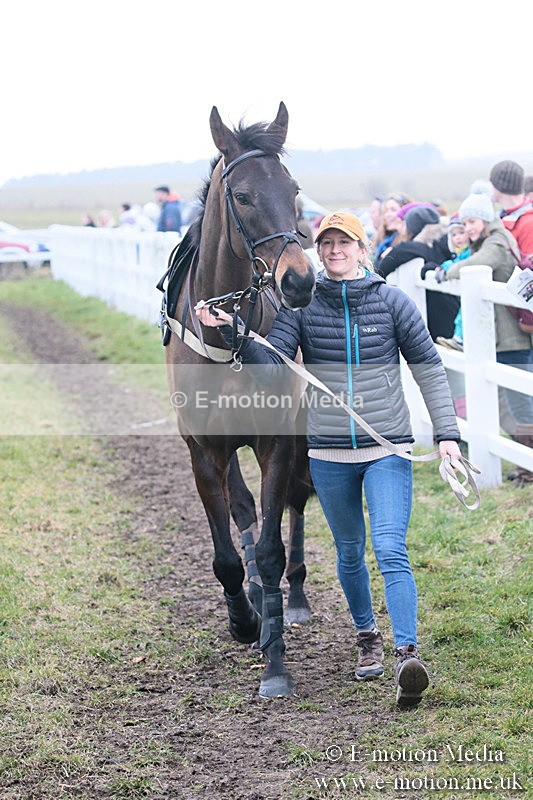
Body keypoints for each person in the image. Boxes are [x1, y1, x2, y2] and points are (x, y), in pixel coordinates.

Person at [195, 211, 462, 708]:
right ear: (318, 252)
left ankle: (407, 654)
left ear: (362, 249)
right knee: (349, 552)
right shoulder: (301, 308)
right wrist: (236, 335)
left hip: (387, 449)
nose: (335, 251)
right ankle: (367, 637)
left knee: (390, 548)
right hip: (329, 453)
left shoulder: (392, 302)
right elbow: (273, 368)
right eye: (327, 244)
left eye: (344, 243)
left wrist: (447, 434)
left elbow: (428, 367)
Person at [443, 193, 533, 484]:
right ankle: (525, 464)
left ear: (485, 219)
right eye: (464, 222)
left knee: (521, 405)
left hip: (511, 338)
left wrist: (448, 271)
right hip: (501, 338)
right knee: (508, 405)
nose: (467, 228)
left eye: (472, 221)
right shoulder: (489, 240)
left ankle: (529, 467)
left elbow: (473, 266)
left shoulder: (496, 242)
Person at [377, 205, 459, 341]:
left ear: (412, 228)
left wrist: (383, 256)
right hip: (452, 318)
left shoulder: (413, 248)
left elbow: (381, 269)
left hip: (437, 324)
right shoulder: (444, 247)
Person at [435, 215, 472, 351]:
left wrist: (446, 266)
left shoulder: (470, 252)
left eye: (461, 233)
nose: (458, 238)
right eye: (454, 235)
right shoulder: (460, 253)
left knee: (463, 313)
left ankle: (460, 339)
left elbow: (461, 264)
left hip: (471, 289)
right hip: (465, 291)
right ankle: (458, 338)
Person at [371, 192, 412, 268]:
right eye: (386, 211)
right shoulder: (382, 239)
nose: (387, 215)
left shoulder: (411, 242)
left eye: (393, 210)